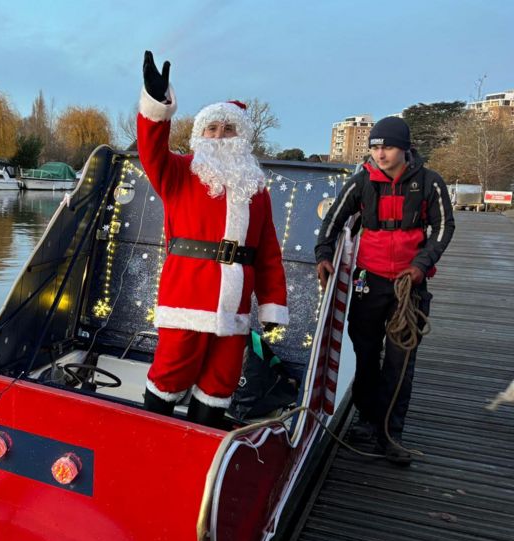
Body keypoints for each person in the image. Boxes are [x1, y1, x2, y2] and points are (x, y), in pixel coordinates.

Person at [137, 51, 288, 428]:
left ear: (242, 136)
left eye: (228, 129)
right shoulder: (178, 172)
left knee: (220, 381)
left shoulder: (256, 188)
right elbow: (150, 149)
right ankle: (150, 435)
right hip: (186, 296)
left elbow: (268, 252)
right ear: (199, 135)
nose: (220, 136)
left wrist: (271, 305)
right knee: (170, 373)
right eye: (212, 129)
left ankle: (202, 443)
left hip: (235, 304)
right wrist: (157, 104)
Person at [315, 116, 455, 466]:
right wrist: (324, 255)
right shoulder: (361, 182)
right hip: (368, 281)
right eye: (375, 147)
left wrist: (421, 264)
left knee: (400, 361)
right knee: (364, 354)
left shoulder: (429, 182)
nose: (380, 153)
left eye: (387, 147)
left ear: (404, 149)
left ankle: (391, 434)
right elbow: (332, 222)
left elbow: (443, 227)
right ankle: (366, 420)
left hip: (410, 286)